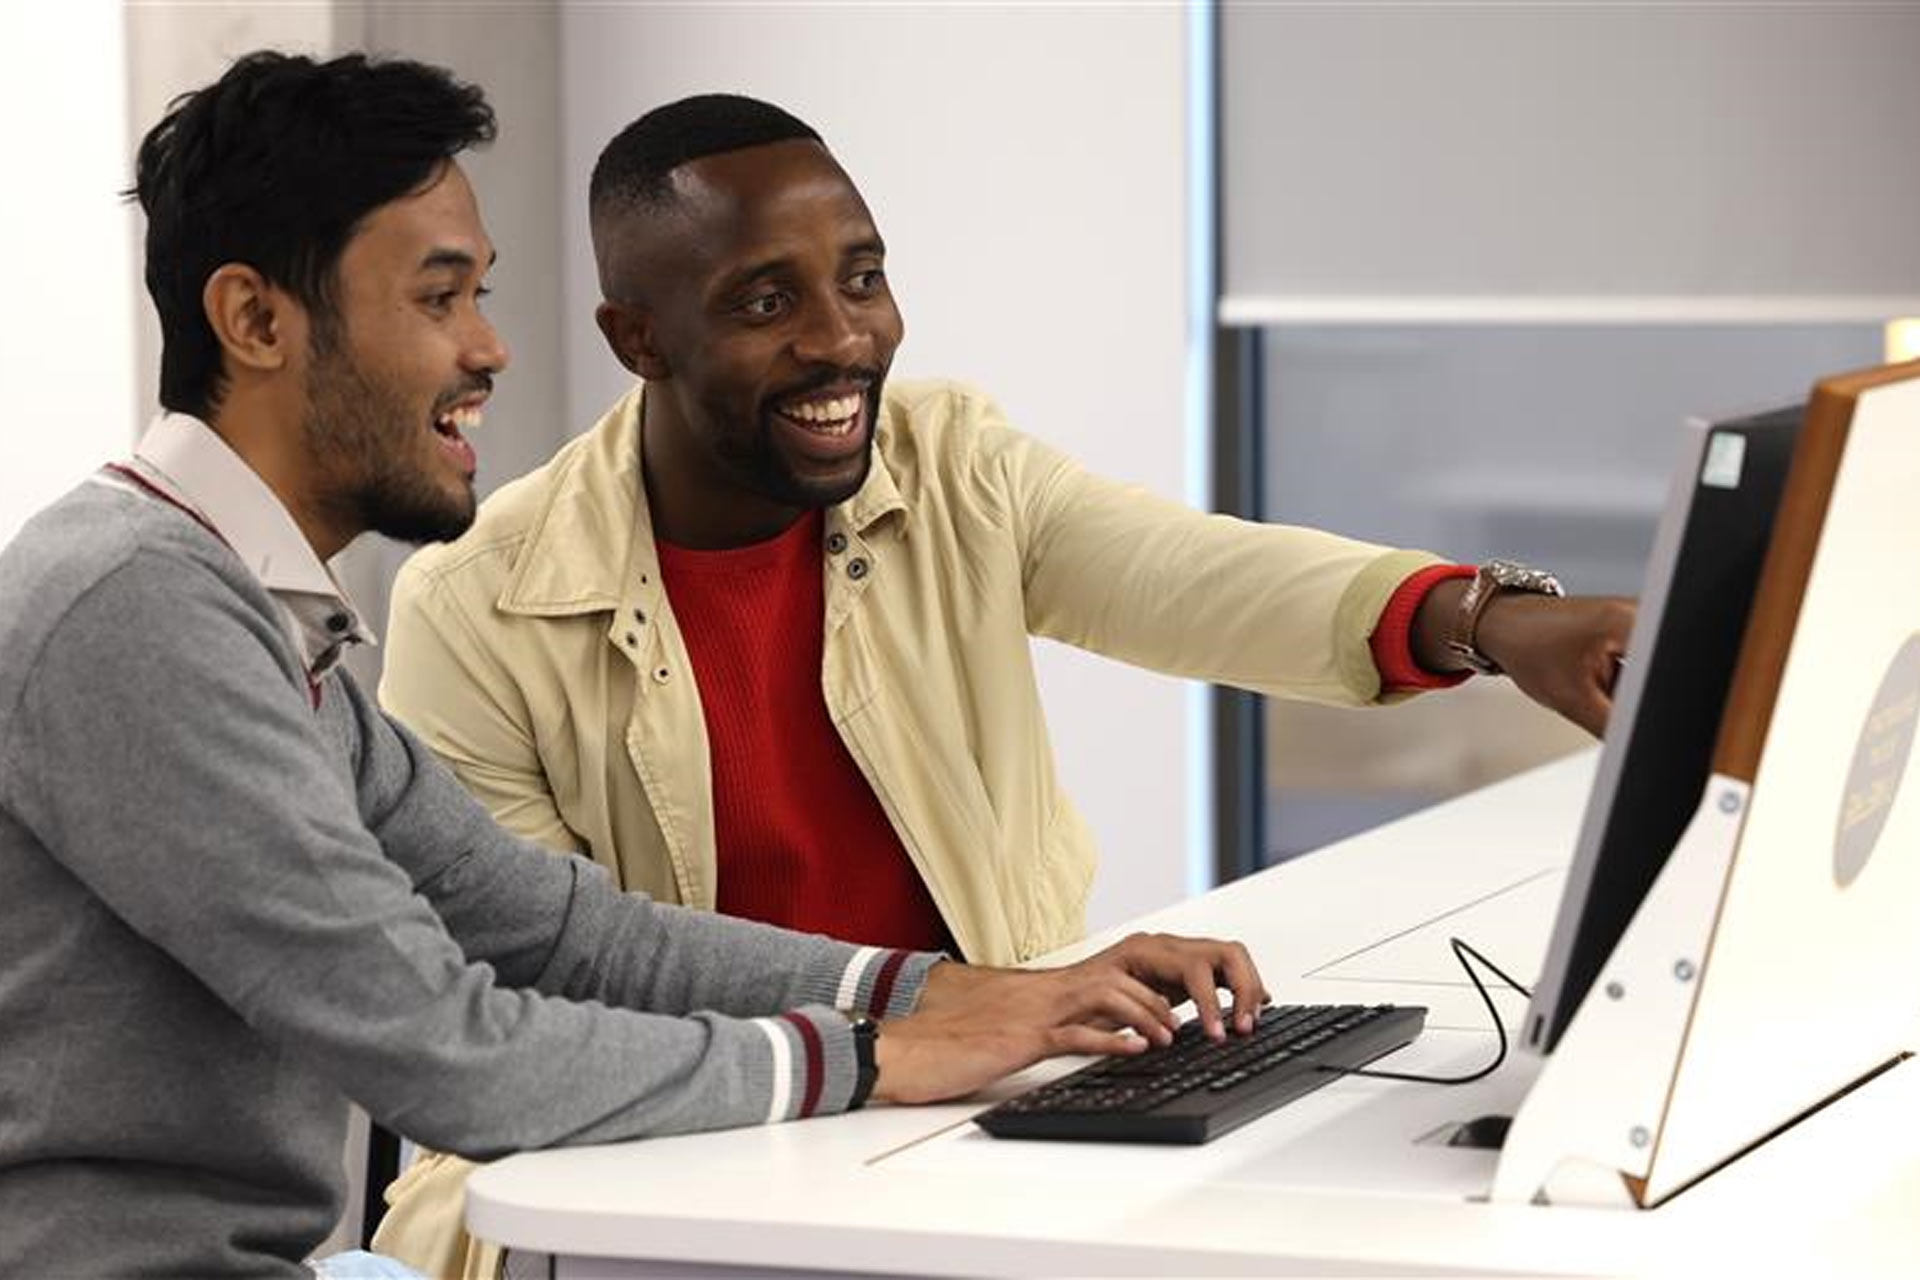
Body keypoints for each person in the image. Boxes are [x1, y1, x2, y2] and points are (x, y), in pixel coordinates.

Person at [0, 53, 1270, 1280]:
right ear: (256, 319)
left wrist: (958, 990)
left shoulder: (263, 615)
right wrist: (877, 1053)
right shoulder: (135, 609)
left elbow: (559, 929)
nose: (489, 350)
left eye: (480, 296)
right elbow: (450, 1048)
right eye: (440, 299)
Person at [375, 93, 1632, 1269]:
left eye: (863, 277)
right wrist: (920, 1027)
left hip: (963, 1116)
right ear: (637, 335)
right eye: (767, 302)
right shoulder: (479, 603)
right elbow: (561, 983)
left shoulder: (950, 463)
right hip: (646, 1165)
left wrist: (1488, 619)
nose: (843, 337)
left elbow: (1191, 573)